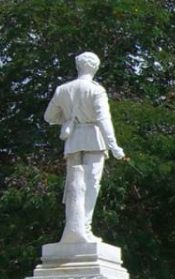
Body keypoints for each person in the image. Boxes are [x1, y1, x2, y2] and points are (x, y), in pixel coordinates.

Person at [43, 51, 127, 244]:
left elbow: (48, 117)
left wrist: (67, 120)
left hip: (73, 140)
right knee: (90, 185)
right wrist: (114, 146)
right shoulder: (96, 90)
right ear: (95, 68)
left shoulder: (63, 89)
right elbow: (104, 119)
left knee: (74, 185)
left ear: (77, 66)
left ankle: (73, 227)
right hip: (93, 139)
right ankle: (84, 228)